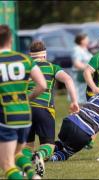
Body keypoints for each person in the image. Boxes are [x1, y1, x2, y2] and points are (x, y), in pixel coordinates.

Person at [22, 40, 79, 177]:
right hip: (44, 109)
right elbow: (68, 80)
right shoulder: (52, 67)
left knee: (27, 145)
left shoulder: (25, 67)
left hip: (25, 110)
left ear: (31, 55)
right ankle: (40, 155)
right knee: (49, 145)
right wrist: (74, 101)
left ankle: (25, 168)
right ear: (44, 55)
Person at [0, 25, 47, 179]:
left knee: (7, 165)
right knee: (17, 153)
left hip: (5, 116)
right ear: (11, 40)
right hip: (25, 114)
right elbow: (43, 85)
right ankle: (34, 176)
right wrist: (27, 98)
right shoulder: (25, 59)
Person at [71, 33, 93, 105]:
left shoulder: (85, 49)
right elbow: (77, 63)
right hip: (79, 76)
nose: (88, 40)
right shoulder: (77, 49)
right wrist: (88, 69)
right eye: (86, 39)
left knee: (85, 98)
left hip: (85, 76)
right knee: (80, 99)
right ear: (81, 40)